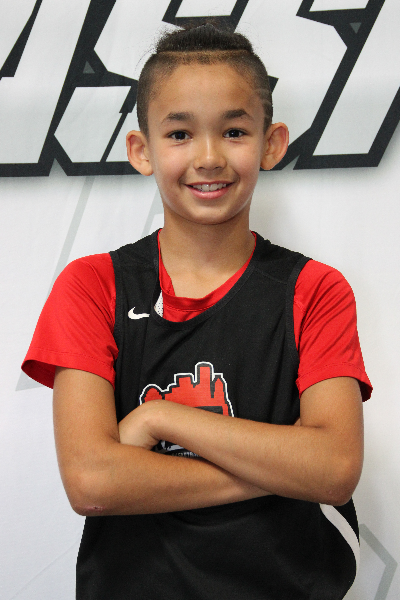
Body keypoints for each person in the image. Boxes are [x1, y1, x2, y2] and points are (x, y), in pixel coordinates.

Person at [22, 23, 372, 600]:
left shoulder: (316, 289)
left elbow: (334, 470)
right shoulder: (92, 285)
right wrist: (282, 468)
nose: (208, 158)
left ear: (271, 143)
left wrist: (163, 418)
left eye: (234, 131)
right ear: (142, 150)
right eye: (180, 133)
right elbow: (93, 481)